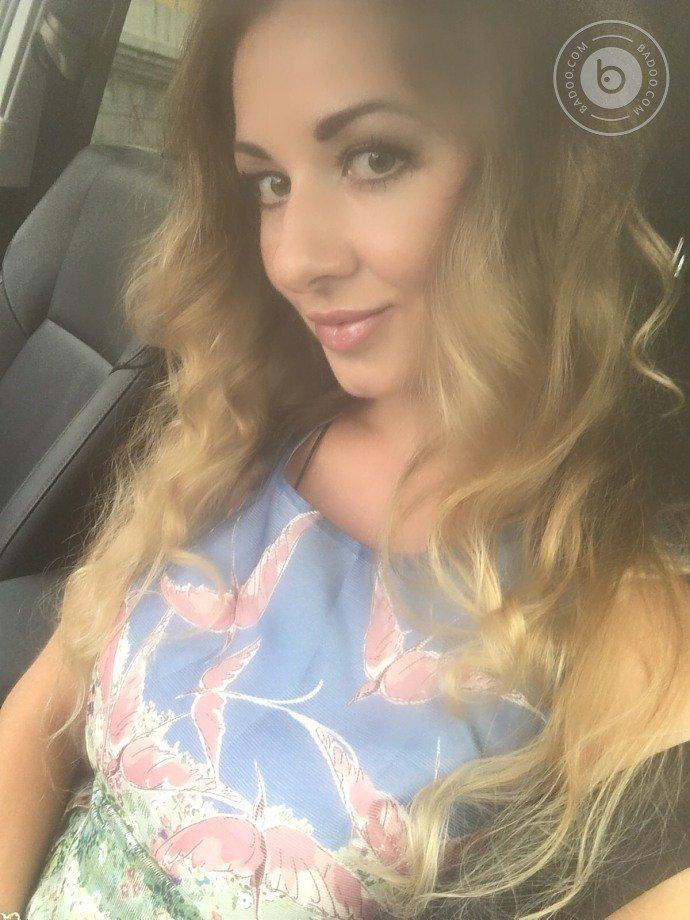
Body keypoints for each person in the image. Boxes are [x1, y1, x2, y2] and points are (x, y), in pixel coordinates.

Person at [0, 0, 688, 917]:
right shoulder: (236, 431)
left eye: (374, 158)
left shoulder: (625, 619)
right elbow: (47, 705)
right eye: (270, 183)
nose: (294, 258)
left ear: (543, 173)